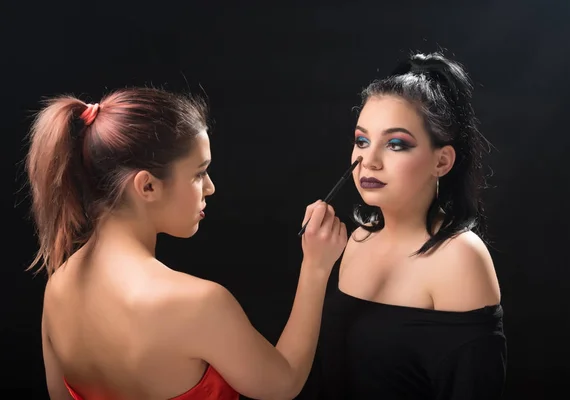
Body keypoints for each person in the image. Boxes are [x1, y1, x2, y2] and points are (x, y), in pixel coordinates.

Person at [25, 87, 348, 400]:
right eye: (198, 174)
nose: (210, 188)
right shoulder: (198, 304)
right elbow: (285, 381)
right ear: (147, 186)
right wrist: (316, 267)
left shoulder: (59, 286)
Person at [298, 52, 506, 399]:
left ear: (442, 161)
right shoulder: (357, 240)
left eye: (396, 144)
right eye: (362, 141)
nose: (369, 161)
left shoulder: (459, 258)